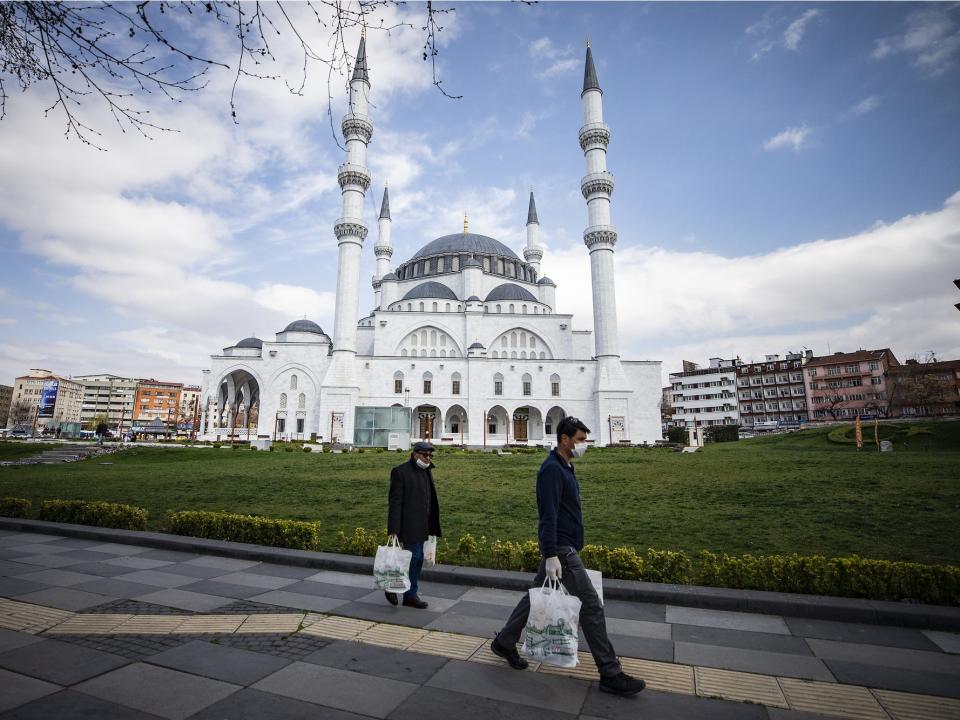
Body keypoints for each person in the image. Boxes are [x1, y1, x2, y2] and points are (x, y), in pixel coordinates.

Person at [490, 416, 646, 697]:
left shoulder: (565, 466)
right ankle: (610, 672)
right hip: (561, 549)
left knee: (536, 596)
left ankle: (504, 641)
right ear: (565, 439)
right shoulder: (552, 470)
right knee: (591, 607)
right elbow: (547, 516)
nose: (584, 445)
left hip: (564, 546)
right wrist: (551, 554)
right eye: (580, 440)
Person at [386, 440, 442, 609]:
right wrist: (393, 529)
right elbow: (395, 502)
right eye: (426, 455)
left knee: (417, 559)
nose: (428, 458)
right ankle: (396, 589)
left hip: (423, 523)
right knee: (414, 557)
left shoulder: (426, 471)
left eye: (430, 455)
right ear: (415, 453)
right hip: (409, 523)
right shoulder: (400, 472)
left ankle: (408, 593)